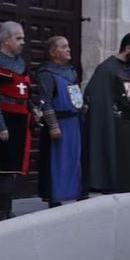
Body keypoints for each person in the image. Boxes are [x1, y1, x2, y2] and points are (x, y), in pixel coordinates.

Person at [83, 32, 130, 193]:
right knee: (119, 163)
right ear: (127, 48)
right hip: (115, 125)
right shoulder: (107, 68)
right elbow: (96, 96)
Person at [0, 21, 35, 221]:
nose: (23, 42)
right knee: (4, 170)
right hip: (4, 119)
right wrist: (0, 126)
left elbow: (26, 92)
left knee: (13, 169)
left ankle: (7, 209)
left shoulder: (21, 64)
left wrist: (33, 108)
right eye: (18, 38)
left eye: (23, 37)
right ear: (5, 40)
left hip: (20, 119)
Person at [36, 35, 83, 207]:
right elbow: (45, 101)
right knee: (57, 163)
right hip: (59, 124)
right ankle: (55, 199)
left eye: (68, 46)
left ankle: (75, 192)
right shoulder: (46, 74)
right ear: (53, 52)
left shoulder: (71, 71)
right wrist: (53, 125)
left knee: (74, 159)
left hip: (74, 123)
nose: (68, 49)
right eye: (64, 47)